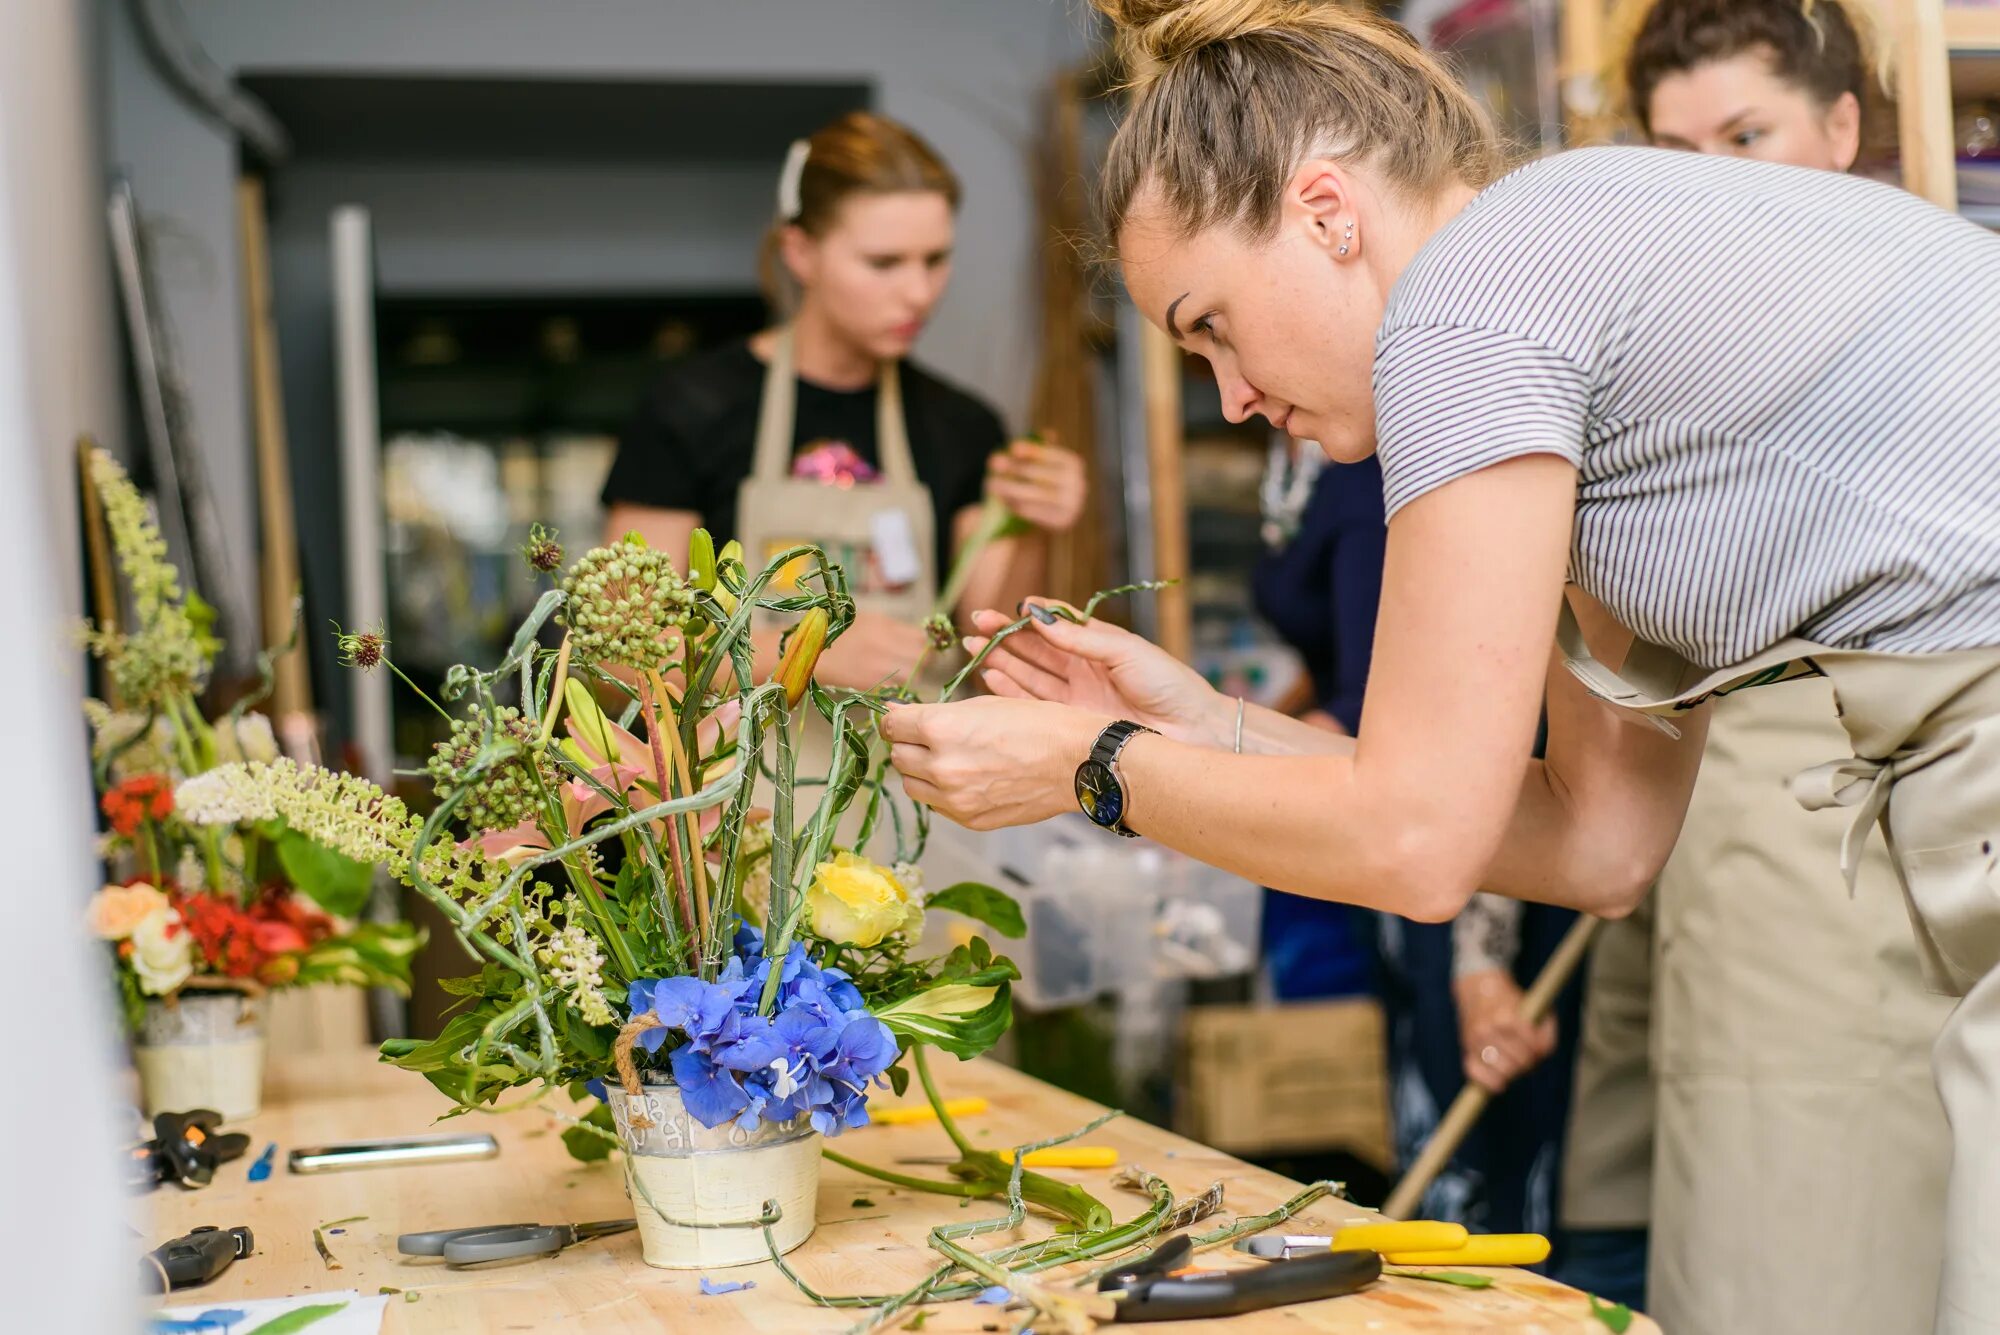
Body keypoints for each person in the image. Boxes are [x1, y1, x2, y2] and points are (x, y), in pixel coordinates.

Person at [880, 5, 2000, 1330]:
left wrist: (1096, 768)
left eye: (1214, 325)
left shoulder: (1470, 299)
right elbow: (1597, 839)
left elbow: (1411, 844)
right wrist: (1200, 724)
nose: (1231, 395)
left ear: (1325, 212)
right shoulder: (1556, 291)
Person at [1549, 3, 1955, 1328]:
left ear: (1843, 127)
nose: (1714, 180)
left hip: (1848, 816)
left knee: (1835, 1217)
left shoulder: (1930, 313)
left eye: (1746, 133)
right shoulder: (1633, 350)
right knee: (1686, 1200)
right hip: (1681, 826)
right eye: (1676, 151)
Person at [600, 111, 1086, 688]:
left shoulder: (962, 424)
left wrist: (1027, 523)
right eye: (883, 263)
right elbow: (621, 650)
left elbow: (992, 655)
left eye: (935, 260)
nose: (918, 293)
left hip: (910, 777)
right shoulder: (691, 406)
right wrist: (805, 656)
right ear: (801, 252)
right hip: (740, 777)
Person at [1253, 443, 1577, 1236]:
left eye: (1214, 324)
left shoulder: (1399, 457)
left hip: (1466, 845)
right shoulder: (1304, 439)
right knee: (1418, 1104)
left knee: (1476, 1131)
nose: (1232, 394)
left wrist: (1479, 959)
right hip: (1382, 809)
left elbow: (1491, 722)